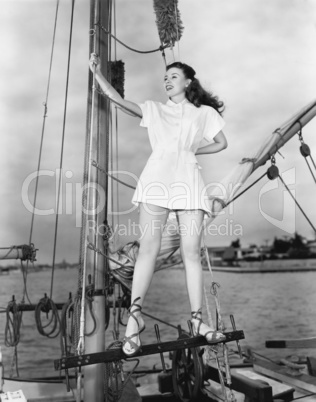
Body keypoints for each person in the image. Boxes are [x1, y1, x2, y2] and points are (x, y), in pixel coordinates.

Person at [89, 54, 228, 357]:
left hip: (189, 183)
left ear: (188, 82)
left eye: (174, 76)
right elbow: (120, 102)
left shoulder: (203, 113)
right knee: (147, 250)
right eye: (165, 77)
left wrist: (190, 150)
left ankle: (197, 321)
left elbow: (221, 142)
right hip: (156, 181)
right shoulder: (154, 109)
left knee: (191, 253)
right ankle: (134, 319)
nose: (167, 80)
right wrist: (98, 74)